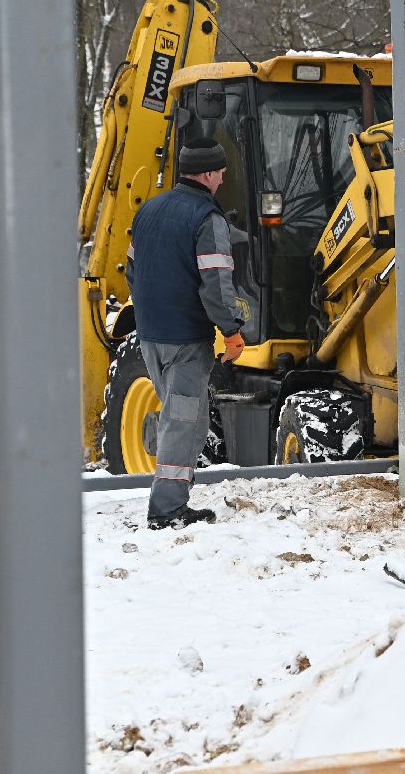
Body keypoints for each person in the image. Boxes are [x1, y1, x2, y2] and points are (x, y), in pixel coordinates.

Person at [126, 137, 247, 529]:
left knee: (178, 417)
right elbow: (216, 285)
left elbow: (132, 272)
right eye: (222, 174)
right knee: (184, 423)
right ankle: (167, 510)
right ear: (209, 174)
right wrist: (231, 331)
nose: (222, 180)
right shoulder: (207, 219)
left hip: (150, 336)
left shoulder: (148, 211)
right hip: (184, 340)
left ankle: (171, 499)